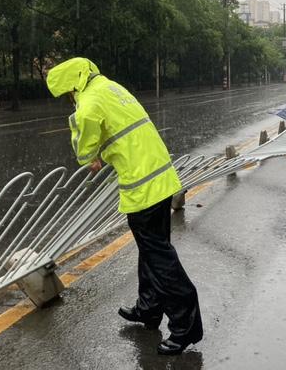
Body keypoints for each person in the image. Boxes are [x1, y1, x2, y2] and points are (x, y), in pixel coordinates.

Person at [46, 57, 203, 355]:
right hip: (160, 176)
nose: (69, 99)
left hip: (143, 184)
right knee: (153, 250)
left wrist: (89, 157)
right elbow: (120, 131)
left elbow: (83, 136)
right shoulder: (110, 88)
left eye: (67, 95)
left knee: (159, 258)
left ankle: (186, 326)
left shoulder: (90, 101)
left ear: (72, 85)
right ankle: (149, 309)